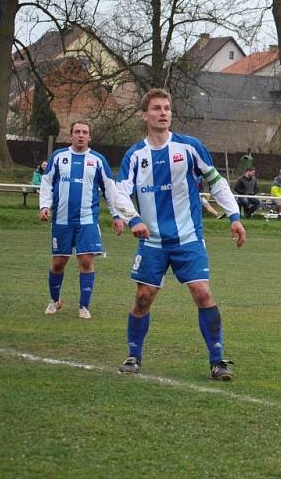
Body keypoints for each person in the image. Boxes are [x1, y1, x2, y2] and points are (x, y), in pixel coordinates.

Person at [117, 88, 246, 380]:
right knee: (143, 298)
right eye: (156, 108)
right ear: (144, 115)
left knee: (202, 292)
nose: (163, 113)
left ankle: (217, 360)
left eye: (167, 108)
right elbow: (120, 193)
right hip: (152, 241)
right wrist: (133, 218)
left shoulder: (189, 147)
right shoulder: (135, 155)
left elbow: (217, 182)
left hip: (188, 237)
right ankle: (133, 355)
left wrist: (234, 217)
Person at [38, 120, 133, 319]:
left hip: (87, 220)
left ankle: (84, 306)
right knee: (58, 263)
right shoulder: (58, 157)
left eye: (85, 132)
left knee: (86, 260)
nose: (81, 135)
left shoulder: (98, 160)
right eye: (77, 132)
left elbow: (110, 189)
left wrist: (117, 215)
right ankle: (55, 301)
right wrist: (44, 206)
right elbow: (46, 183)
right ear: (71, 135)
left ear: (89, 137)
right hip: (62, 220)